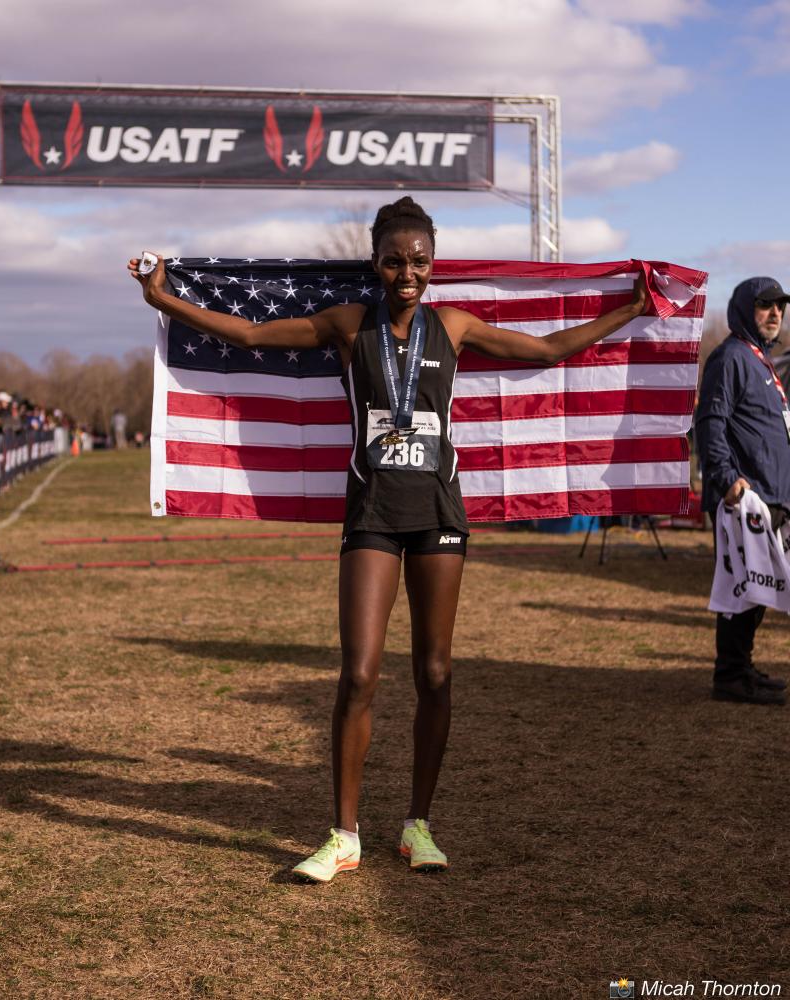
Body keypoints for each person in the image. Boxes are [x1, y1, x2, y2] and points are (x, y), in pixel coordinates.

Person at [129, 196, 647, 881]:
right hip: (371, 514)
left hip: (439, 515)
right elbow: (252, 337)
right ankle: (344, 836)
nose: (408, 272)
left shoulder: (453, 325)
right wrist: (164, 300)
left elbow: (548, 350)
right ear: (375, 263)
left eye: (420, 260)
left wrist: (632, 310)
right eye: (395, 260)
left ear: (434, 264)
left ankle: (417, 826)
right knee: (360, 673)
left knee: (435, 672)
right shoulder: (348, 324)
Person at [695, 277, 790, 706]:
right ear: (744, 309)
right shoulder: (731, 356)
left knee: (759, 588)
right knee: (742, 587)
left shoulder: (761, 361)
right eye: (766, 305)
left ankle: (742, 667)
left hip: (772, 495)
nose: (775, 314)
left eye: (780, 307)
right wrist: (725, 477)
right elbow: (710, 421)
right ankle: (730, 676)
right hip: (743, 498)